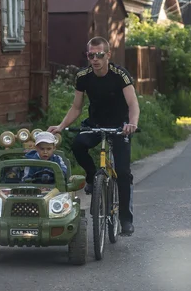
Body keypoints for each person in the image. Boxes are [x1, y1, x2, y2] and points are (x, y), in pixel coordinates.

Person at [48, 36, 140, 236]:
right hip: (95, 124)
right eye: (91, 55)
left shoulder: (120, 75)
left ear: (108, 55)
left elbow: (133, 104)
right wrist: (61, 126)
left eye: (99, 55)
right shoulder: (83, 76)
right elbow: (76, 107)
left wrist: (132, 124)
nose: (95, 59)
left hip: (119, 126)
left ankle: (125, 219)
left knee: (123, 173)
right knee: (78, 145)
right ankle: (92, 177)